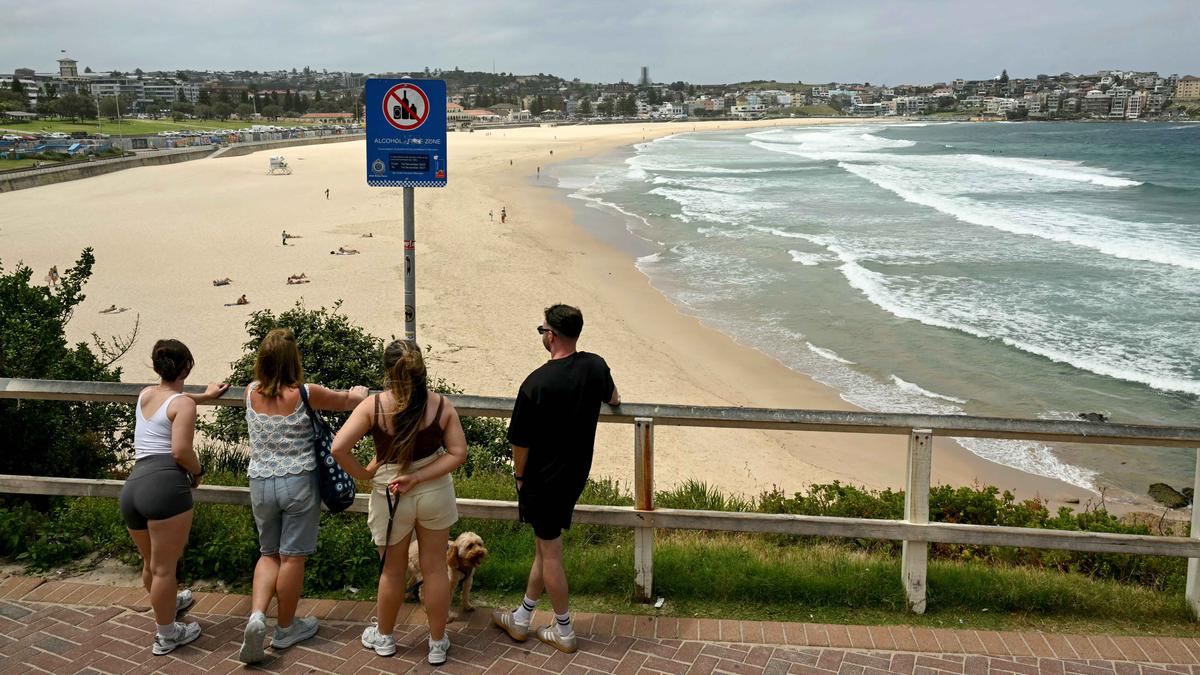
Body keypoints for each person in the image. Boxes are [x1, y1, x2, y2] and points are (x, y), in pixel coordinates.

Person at [492, 305, 619, 654]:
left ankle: (563, 629)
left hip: (543, 479)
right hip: (575, 473)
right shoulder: (595, 365)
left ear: (553, 335)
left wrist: (519, 478)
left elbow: (520, 440)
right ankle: (522, 617)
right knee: (543, 544)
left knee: (550, 554)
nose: (542, 334)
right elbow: (614, 397)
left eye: (542, 329)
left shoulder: (536, 383)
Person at [331, 340, 467, 665]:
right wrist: (419, 477)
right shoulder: (440, 406)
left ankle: (386, 638)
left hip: (390, 492)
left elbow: (338, 448)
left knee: (391, 572)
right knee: (435, 569)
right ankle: (436, 643)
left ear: (387, 372)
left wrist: (364, 474)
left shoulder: (374, 406)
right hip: (433, 490)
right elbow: (458, 453)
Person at [238, 329, 369, 664]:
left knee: (268, 554)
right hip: (297, 482)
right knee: (292, 557)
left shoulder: (249, 392)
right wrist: (358, 392)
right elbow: (347, 401)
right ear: (293, 361)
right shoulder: (305, 393)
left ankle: (256, 617)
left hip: (261, 482)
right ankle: (284, 628)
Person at [119, 340, 229, 655]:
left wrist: (204, 396)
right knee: (166, 568)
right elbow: (181, 451)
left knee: (152, 564)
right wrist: (198, 472)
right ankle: (167, 635)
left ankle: (168, 605)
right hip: (165, 486)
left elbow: (174, 399)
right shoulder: (184, 405)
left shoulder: (145, 395)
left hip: (134, 486)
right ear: (186, 368)